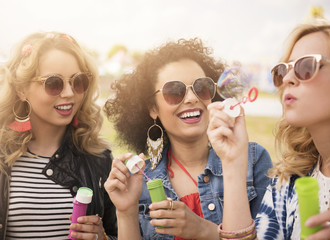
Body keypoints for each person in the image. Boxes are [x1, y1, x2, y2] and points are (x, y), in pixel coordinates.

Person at [103, 38, 272, 240]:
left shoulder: (252, 160)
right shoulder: (140, 181)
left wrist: (203, 230)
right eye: (174, 91)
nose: (192, 98)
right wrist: (125, 212)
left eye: (201, 87)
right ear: (152, 108)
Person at [234, 21, 330, 239]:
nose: (287, 79)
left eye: (306, 67)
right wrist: (233, 162)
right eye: (283, 71)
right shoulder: (287, 181)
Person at [0, 32, 117, 239]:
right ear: (21, 89)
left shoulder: (100, 159)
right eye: (54, 83)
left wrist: (104, 238)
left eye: (78, 81)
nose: (69, 93)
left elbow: (120, 232)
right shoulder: (2, 157)